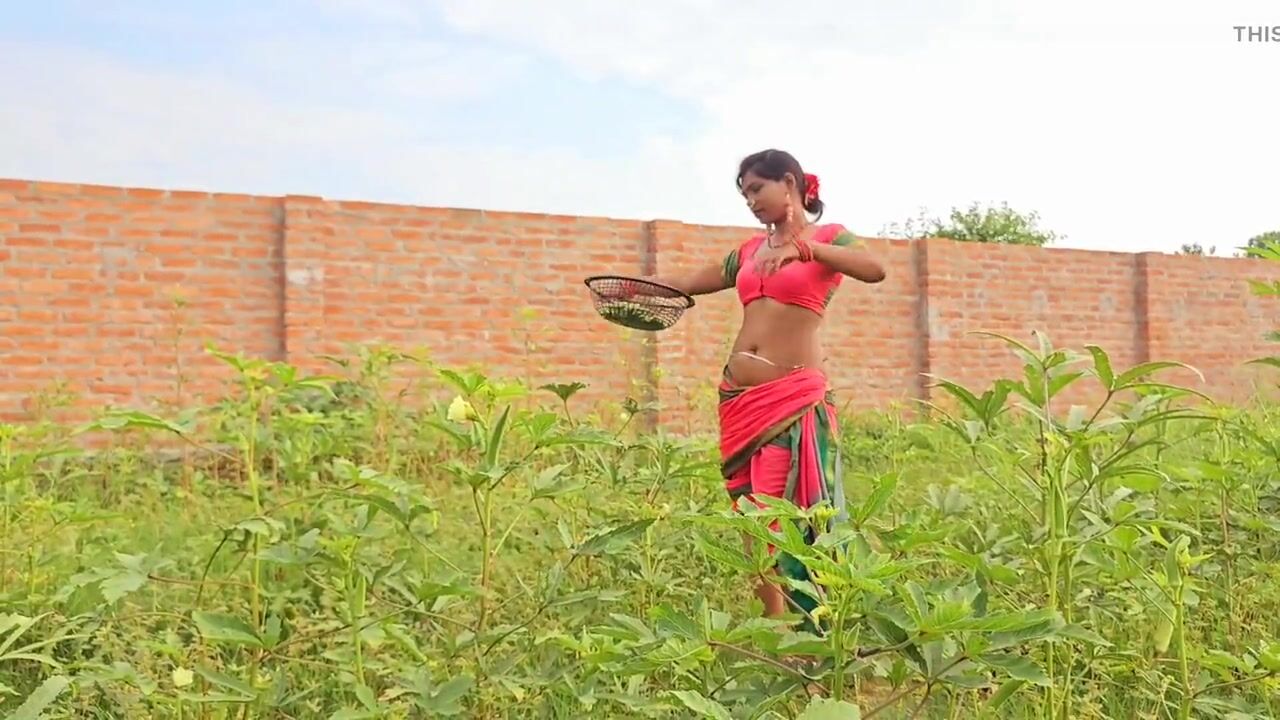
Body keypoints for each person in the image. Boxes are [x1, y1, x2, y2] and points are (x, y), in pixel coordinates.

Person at [612, 149, 886, 623]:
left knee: (783, 517)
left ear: (789, 183)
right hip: (739, 401)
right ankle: (772, 628)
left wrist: (809, 251)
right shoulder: (747, 253)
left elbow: (873, 268)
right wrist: (640, 286)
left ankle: (811, 631)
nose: (751, 201)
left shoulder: (828, 238)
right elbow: (689, 281)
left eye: (757, 189)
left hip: (790, 397)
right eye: (744, 195)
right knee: (749, 517)